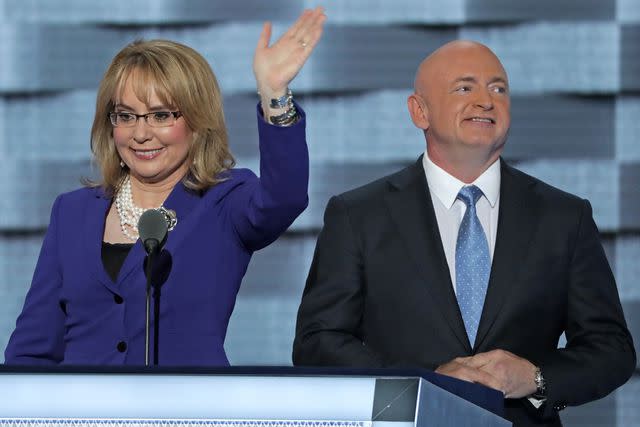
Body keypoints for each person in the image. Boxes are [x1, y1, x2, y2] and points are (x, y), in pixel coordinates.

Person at [292, 40, 635, 427]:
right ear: (419, 111)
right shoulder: (357, 215)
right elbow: (317, 343)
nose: (486, 100)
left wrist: (536, 378)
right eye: (465, 87)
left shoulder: (564, 216)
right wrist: (424, 382)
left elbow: (611, 350)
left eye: (499, 88)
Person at [5, 7, 326, 366]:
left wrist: (274, 94)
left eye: (161, 116)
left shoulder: (224, 200)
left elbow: (285, 198)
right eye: (126, 116)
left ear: (197, 120)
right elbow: (32, 349)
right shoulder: (72, 211)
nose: (141, 134)